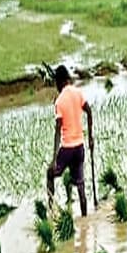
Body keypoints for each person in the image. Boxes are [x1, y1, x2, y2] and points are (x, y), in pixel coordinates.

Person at [46, 65, 93, 218]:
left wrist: (54, 159)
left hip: (67, 149)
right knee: (80, 185)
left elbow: (58, 131)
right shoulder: (78, 93)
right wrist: (90, 137)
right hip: (79, 147)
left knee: (50, 173)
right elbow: (89, 111)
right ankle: (85, 216)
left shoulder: (59, 101)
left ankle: (51, 210)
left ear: (59, 82)